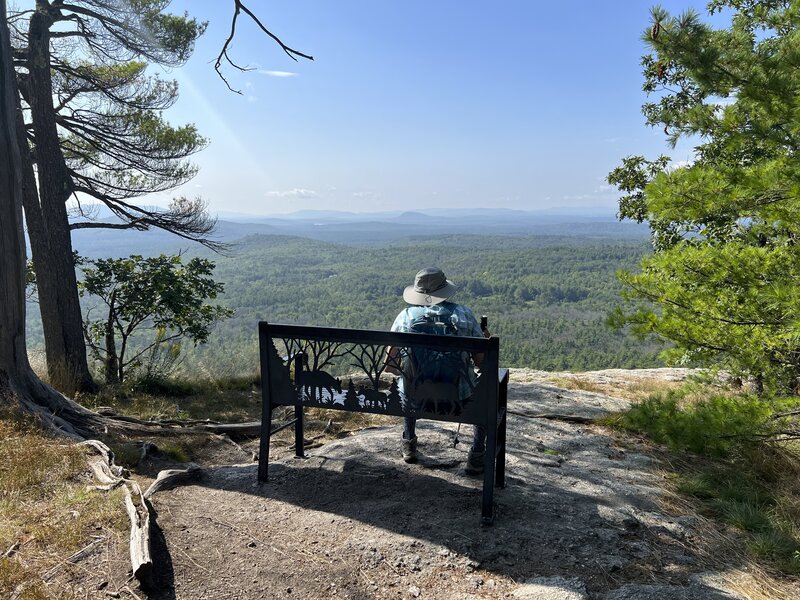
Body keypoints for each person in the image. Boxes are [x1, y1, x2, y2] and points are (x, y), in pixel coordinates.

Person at [384, 267, 491, 474]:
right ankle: (477, 455)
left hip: (415, 401)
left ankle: (409, 443)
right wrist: (485, 341)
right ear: (444, 291)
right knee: (486, 391)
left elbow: (390, 365)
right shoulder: (464, 315)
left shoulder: (405, 316)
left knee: (408, 381)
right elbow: (481, 364)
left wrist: (415, 370)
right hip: (459, 401)